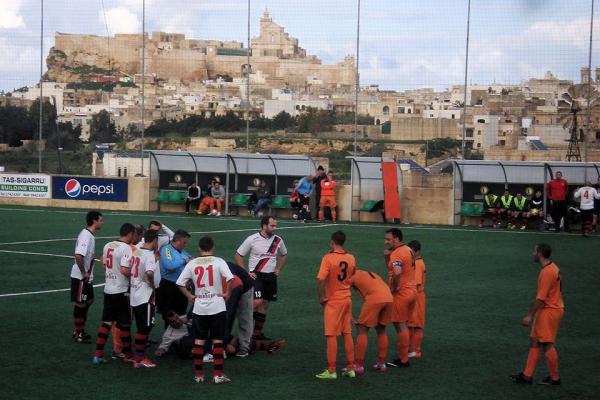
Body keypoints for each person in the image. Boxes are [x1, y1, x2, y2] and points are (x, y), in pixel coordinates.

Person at [177, 236, 235, 384]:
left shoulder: (193, 263)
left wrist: (190, 296)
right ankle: (217, 375)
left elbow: (179, 283)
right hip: (217, 306)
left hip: (200, 308)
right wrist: (227, 293)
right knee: (217, 341)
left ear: (199, 248)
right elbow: (230, 278)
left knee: (199, 341)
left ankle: (199, 375)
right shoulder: (219, 261)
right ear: (212, 247)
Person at [511, 243, 564, 386]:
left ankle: (555, 378)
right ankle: (527, 376)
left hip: (549, 311)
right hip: (550, 309)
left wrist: (529, 315)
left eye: (534, 251)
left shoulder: (546, 272)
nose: (532, 253)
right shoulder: (552, 267)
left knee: (547, 344)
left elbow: (541, 298)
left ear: (540, 253)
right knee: (535, 340)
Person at [235, 216, 288, 342]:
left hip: (271, 276)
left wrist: (278, 269)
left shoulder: (278, 240)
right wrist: (246, 273)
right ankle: (244, 326)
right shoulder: (252, 239)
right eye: (272, 226)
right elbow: (238, 255)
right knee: (257, 302)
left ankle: (257, 333)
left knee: (264, 305)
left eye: (276, 225)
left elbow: (284, 255)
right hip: (256, 275)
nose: (275, 228)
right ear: (264, 226)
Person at [92, 223, 136, 365]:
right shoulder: (126, 248)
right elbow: (124, 270)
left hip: (108, 289)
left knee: (107, 321)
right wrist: (134, 275)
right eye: (134, 234)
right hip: (121, 290)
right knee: (124, 324)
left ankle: (97, 355)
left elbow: (104, 264)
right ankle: (128, 355)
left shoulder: (108, 245)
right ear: (129, 234)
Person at [315, 230, 357, 379]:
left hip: (334, 301)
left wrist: (321, 297)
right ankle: (351, 368)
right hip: (347, 299)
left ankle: (332, 370)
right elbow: (353, 276)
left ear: (332, 242)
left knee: (331, 335)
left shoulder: (328, 258)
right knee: (347, 333)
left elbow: (320, 279)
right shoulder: (351, 258)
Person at [349, 268, 393, 374]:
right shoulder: (370, 272)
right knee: (381, 330)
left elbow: (345, 296)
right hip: (389, 298)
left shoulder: (350, 277)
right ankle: (382, 364)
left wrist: (349, 316)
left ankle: (358, 366)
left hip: (374, 299)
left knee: (362, 330)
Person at [384, 228, 416, 368]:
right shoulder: (408, 249)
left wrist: (395, 288)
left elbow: (396, 272)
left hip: (401, 294)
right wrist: (387, 257)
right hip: (412, 291)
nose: (386, 242)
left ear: (396, 239)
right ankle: (406, 353)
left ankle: (403, 359)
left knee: (400, 325)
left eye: (388, 239)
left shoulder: (397, 253)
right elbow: (393, 268)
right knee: (405, 325)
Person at [70, 210, 103, 343]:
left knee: (89, 301)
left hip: (87, 278)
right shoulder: (86, 236)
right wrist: (84, 273)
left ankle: (80, 329)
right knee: (81, 304)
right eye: (101, 220)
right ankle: (78, 333)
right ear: (94, 221)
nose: (102, 222)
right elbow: (78, 256)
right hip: (80, 277)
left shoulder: (90, 235)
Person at [129, 229, 160, 368]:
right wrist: (152, 284)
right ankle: (139, 358)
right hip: (145, 296)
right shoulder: (149, 255)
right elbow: (149, 272)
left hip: (135, 294)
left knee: (143, 325)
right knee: (145, 326)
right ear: (154, 241)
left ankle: (138, 356)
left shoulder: (136, 252)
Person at [159, 230, 193, 319]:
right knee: (169, 315)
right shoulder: (167, 249)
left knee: (181, 314)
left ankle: (179, 333)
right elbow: (169, 265)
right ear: (178, 241)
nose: (185, 245)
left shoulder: (182, 251)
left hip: (181, 287)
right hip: (169, 286)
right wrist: (184, 261)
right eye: (184, 242)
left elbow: (192, 259)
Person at [224, 261, 254, 358]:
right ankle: (227, 342)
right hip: (231, 285)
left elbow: (230, 313)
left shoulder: (223, 272)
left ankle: (244, 348)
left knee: (245, 317)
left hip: (245, 287)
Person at [407, 240, 426, 359]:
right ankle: (411, 349)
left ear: (418, 251)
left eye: (411, 251)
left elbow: (417, 284)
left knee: (416, 324)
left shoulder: (418, 264)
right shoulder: (416, 262)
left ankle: (416, 350)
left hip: (417, 296)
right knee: (411, 323)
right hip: (416, 296)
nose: (410, 254)